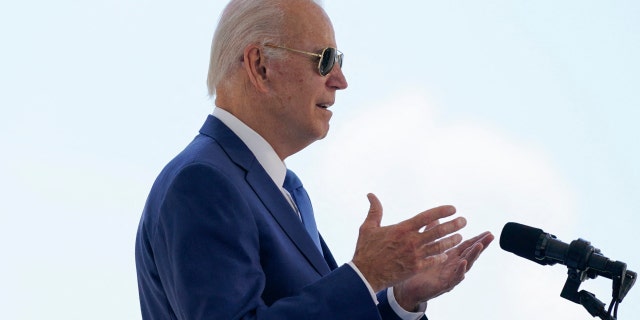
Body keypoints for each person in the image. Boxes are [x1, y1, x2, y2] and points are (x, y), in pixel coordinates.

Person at [135, 0, 495, 319]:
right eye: (324, 60)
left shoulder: (287, 189)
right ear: (260, 66)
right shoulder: (202, 181)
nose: (340, 80)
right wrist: (364, 276)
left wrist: (400, 299)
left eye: (338, 62)